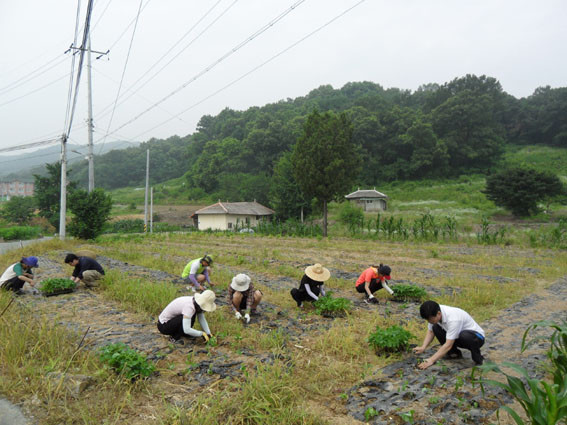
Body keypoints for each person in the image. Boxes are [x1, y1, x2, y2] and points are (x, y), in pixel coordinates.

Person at [413, 300, 485, 370]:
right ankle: (454, 353)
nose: (429, 322)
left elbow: (448, 345)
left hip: (477, 337)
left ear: (438, 313)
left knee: (464, 335)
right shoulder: (434, 311)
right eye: (427, 320)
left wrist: (431, 360)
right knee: (435, 327)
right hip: (458, 335)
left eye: (430, 319)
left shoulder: (453, 319)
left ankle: (478, 358)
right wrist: (423, 347)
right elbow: (431, 332)